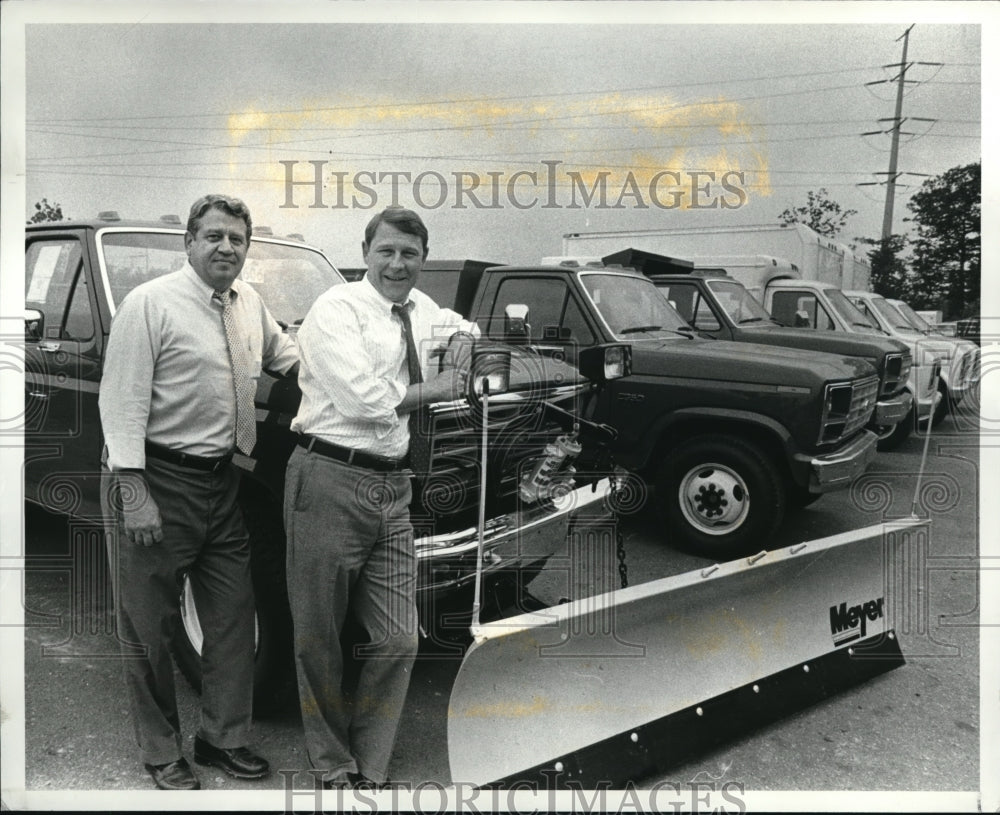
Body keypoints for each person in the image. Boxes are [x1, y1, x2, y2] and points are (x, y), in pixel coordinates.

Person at [98, 194, 298, 790]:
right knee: (150, 626)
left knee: (234, 619)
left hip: (222, 483)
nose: (226, 248)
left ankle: (222, 740)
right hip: (156, 479)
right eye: (213, 236)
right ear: (188, 242)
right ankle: (161, 750)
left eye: (237, 239)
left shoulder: (249, 304)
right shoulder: (150, 304)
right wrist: (133, 490)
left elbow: (289, 359)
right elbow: (122, 400)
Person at [285, 207, 476, 789]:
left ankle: (372, 763)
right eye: (387, 251)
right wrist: (442, 386)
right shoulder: (335, 309)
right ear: (366, 252)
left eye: (410, 254)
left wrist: (464, 346)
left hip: (393, 487)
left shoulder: (422, 311)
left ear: (423, 259)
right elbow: (364, 400)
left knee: (397, 638)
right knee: (319, 637)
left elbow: (462, 328)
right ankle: (332, 762)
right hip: (328, 477)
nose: (398, 264)